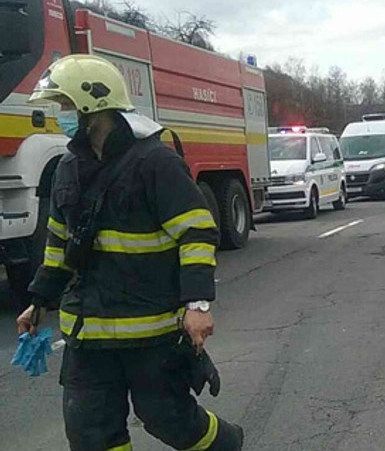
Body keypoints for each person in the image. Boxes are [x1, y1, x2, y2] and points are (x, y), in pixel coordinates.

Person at [15, 55, 243, 451]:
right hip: (87, 334)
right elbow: (59, 243)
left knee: (170, 421)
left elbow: (196, 232)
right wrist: (38, 300)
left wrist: (198, 304)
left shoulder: (155, 162)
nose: (60, 116)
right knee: (90, 434)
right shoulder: (68, 168)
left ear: (93, 108)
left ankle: (227, 444)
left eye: (66, 106)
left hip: (149, 331)